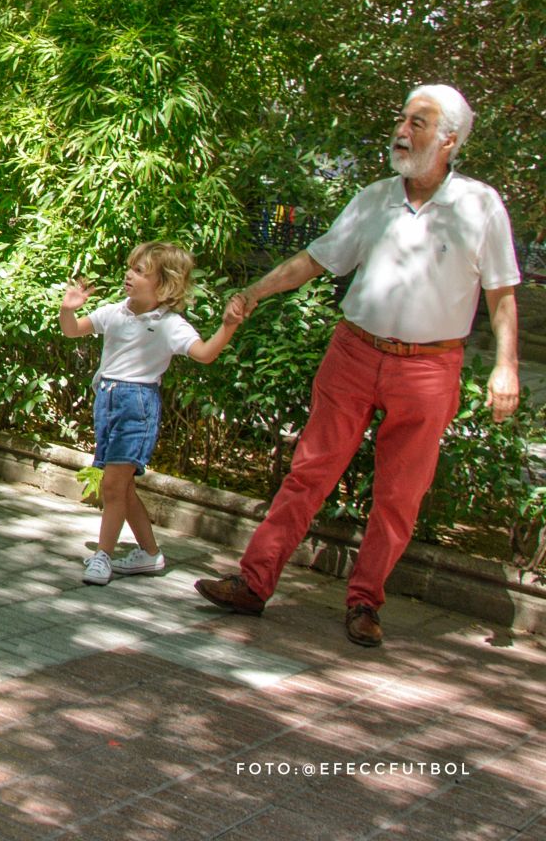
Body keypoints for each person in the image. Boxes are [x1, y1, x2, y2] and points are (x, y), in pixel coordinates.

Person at [195, 84, 522, 647]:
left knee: (399, 494)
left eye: (417, 123)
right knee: (309, 471)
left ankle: (365, 602)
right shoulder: (375, 198)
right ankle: (253, 583)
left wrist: (507, 367)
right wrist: (253, 291)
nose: (402, 129)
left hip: (428, 368)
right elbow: (316, 258)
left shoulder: (480, 206)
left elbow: (502, 293)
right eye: (401, 118)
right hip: (354, 352)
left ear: (449, 140)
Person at [59, 242, 244, 586]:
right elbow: (72, 330)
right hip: (108, 400)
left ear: (164, 285)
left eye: (140, 271)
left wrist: (228, 326)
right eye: (131, 267)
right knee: (122, 487)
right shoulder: (115, 312)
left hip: (138, 404)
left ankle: (103, 556)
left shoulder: (169, 324)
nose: (129, 274)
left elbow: (203, 353)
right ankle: (149, 554)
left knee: (114, 484)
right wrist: (67, 309)